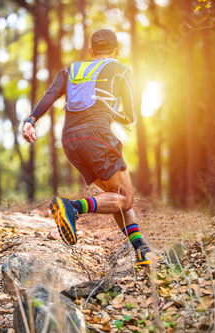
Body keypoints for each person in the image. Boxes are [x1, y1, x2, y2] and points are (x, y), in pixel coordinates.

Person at [22, 29, 151, 267]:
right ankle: (72, 207)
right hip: (98, 137)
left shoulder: (71, 70)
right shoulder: (121, 70)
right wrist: (112, 112)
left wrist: (31, 120)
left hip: (70, 140)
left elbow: (51, 94)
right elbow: (131, 115)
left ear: (91, 51)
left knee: (117, 197)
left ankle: (141, 250)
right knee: (127, 198)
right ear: (116, 50)